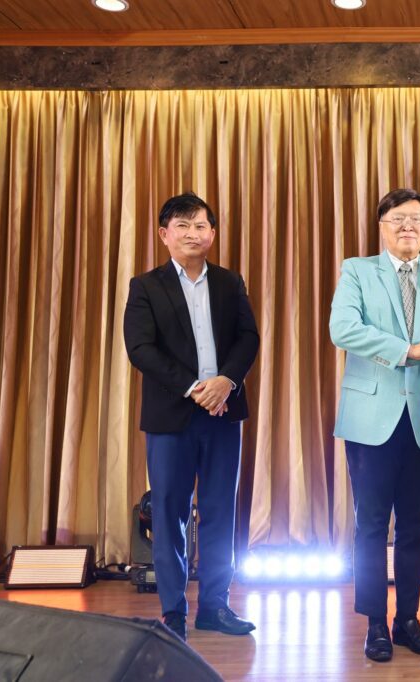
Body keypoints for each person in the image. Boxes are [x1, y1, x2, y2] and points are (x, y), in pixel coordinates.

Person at [123, 192, 260, 642]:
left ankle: (215, 607)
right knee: (169, 514)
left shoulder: (229, 282)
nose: (192, 233)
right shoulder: (145, 286)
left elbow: (248, 338)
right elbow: (141, 349)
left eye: (200, 225)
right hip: (171, 417)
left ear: (212, 233)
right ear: (164, 234)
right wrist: (195, 387)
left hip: (224, 412)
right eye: (182, 226)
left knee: (220, 512)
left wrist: (226, 382)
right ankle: (173, 612)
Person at [329, 188, 420, 663]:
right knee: (371, 525)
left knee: (415, 526)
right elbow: (343, 329)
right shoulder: (357, 270)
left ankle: (408, 619)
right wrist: (408, 351)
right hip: (370, 419)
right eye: (397, 219)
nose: (407, 227)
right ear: (381, 227)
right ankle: (375, 621)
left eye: (416, 219)